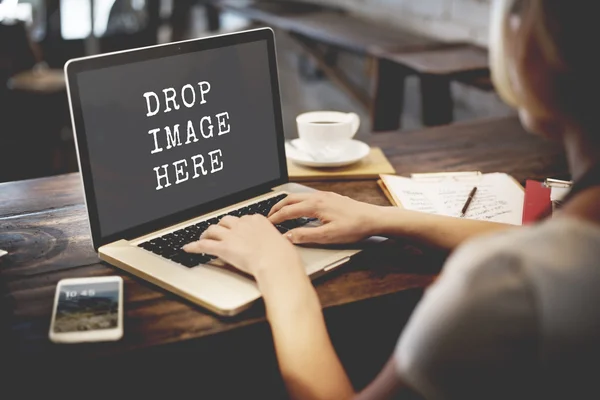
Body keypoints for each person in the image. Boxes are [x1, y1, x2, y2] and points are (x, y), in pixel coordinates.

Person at [184, 0, 600, 398]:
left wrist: (276, 269)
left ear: (554, 51)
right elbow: (545, 244)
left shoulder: (502, 283)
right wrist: (385, 218)